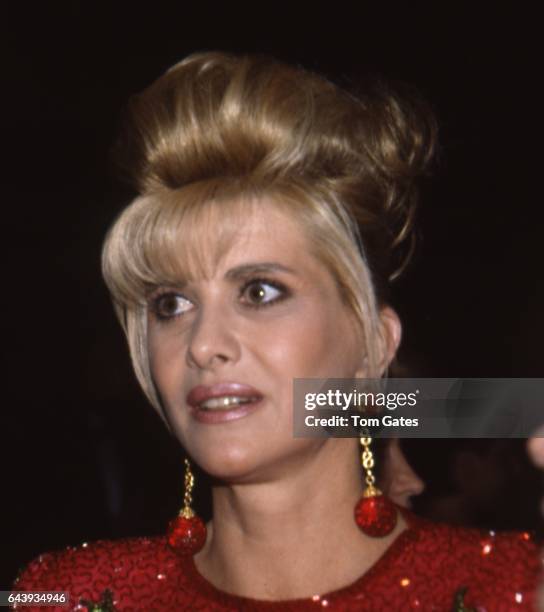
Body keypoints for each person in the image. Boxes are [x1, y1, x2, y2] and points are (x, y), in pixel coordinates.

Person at [13, 52, 540, 611]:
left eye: (259, 291)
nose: (203, 344)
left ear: (373, 343)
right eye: (171, 304)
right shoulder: (65, 596)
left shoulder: (512, 588)